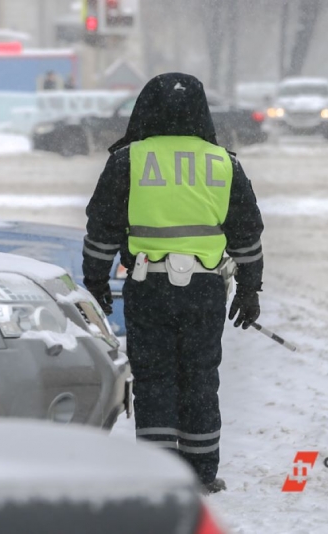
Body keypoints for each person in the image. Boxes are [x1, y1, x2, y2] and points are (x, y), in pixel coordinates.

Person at [82, 73, 264, 494]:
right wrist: (250, 288)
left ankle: (157, 472)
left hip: (149, 288)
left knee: (154, 380)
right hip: (205, 290)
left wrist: (96, 281)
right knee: (200, 378)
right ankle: (201, 473)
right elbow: (247, 233)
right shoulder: (224, 163)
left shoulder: (129, 160)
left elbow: (102, 228)